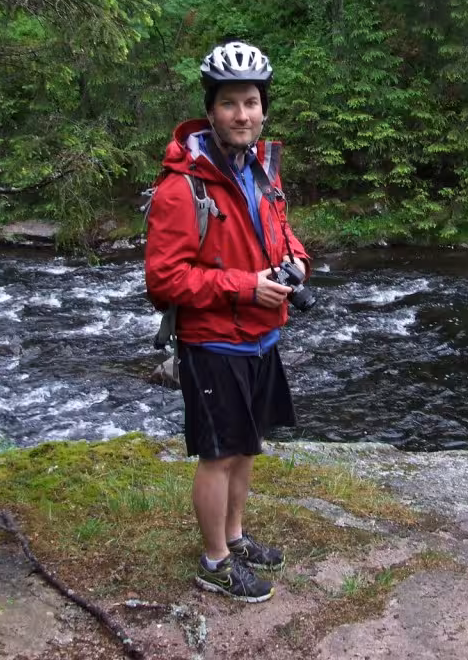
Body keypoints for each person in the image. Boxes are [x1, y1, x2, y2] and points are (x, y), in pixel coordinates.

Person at [144, 40, 311, 603]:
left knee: (246, 444)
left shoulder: (261, 167)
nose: (243, 115)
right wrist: (245, 286)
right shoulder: (181, 186)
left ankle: (234, 539)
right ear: (210, 110)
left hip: (262, 334)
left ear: (264, 108)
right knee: (217, 454)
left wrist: (297, 264)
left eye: (252, 102)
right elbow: (164, 281)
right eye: (230, 103)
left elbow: (281, 232)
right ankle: (213, 562)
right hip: (213, 339)